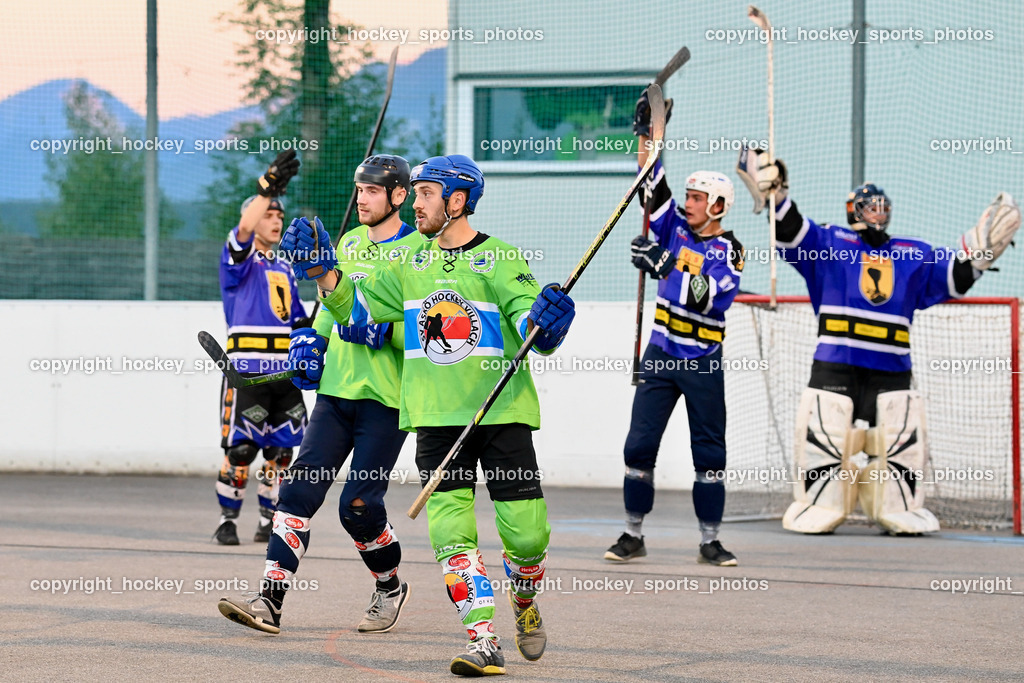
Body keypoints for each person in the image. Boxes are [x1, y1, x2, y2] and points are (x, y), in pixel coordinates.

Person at [282, 154, 576, 677]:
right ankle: (483, 641)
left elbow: (532, 322)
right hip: (437, 422)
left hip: (499, 415)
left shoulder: (501, 259)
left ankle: (525, 598)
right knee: (451, 537)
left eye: (425, 194)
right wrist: (324, 274)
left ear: (457, 201)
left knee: (527, 538)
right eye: (413, 193)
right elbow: (359, 309)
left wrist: (548, 320)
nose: (414, 204)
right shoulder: (408, 259)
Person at [736, 146, 1021, 534]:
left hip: (891, 369)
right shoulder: (829, 243)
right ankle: (818, 504)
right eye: (870, 208)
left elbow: (954, 276)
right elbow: (791, 230)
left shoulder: (912, 253)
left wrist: (980, 254)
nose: (878, 214)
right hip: (837, 362)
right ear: (854, 210)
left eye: (882, 208)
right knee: (827, 437)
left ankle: (896, 507)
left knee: (899, 443)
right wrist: (776, 194)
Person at [217, 154, 422, 634]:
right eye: (359, 189)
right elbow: (330, 306)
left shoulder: (420, 252)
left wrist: (384, 333)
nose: (362, 198)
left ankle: (389, 585)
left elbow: (424, 327)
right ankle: (269, 602)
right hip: (334, 395)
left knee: (359, 507)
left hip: (386, 401)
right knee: (297, 493)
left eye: (372, 191)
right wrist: (313, 340)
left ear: (398, 196)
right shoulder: (348, 242)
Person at [604, 90, 744, 567]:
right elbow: (652, 182)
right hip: (660, 354)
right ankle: (632, 534)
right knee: (638, 446)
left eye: (697, 197)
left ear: (719, 205)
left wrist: (663, 265)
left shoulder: (730, 249)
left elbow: (711, 296)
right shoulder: (674, 227)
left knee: (709, 452)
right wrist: (647, 136)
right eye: (688, 195)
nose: (688, 202)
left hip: (703, 360)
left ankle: (710, 540)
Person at [214, 150, 307, 546]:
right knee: (241, 449)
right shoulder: (239, 260)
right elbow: (244, 225)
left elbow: (300, 320)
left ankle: (269, 518)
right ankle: (227, 519)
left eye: (280, 214)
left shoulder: (286, 267)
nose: (276, 218)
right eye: (269, 213)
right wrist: (266, 190)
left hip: (284, 374)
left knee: (280, 450)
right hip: (248, 373)